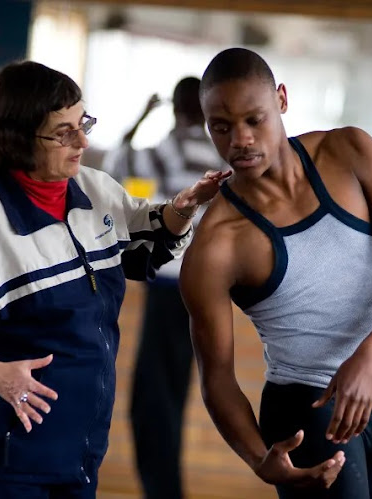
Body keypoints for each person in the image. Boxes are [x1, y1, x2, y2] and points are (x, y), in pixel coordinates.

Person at [0, 61, 230, 498]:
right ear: (18, 136)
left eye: (83, 123)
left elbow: (140, 240)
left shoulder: (95, 191)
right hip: (3, 464)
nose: (83, 141)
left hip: (78, 457)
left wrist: (183, 206)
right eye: (64, 132)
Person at [180, 48, 372, 498]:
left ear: (281, 100)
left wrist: (370, 355)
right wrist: (259, 460)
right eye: (221, 127)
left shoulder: (348, 152)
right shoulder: (216, 244)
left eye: (254, 120)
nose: (240, 140)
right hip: (305, 408)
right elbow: (217, 378)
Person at [103, 77, 226, 499]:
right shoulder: (217, 153)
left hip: (170, 285)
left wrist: (139, 119)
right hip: (206, 290)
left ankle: (163, 491)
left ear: (175, 108)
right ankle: (167, 489)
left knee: (150, 401)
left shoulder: (169, 148)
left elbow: (117, 166)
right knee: (175, 392)